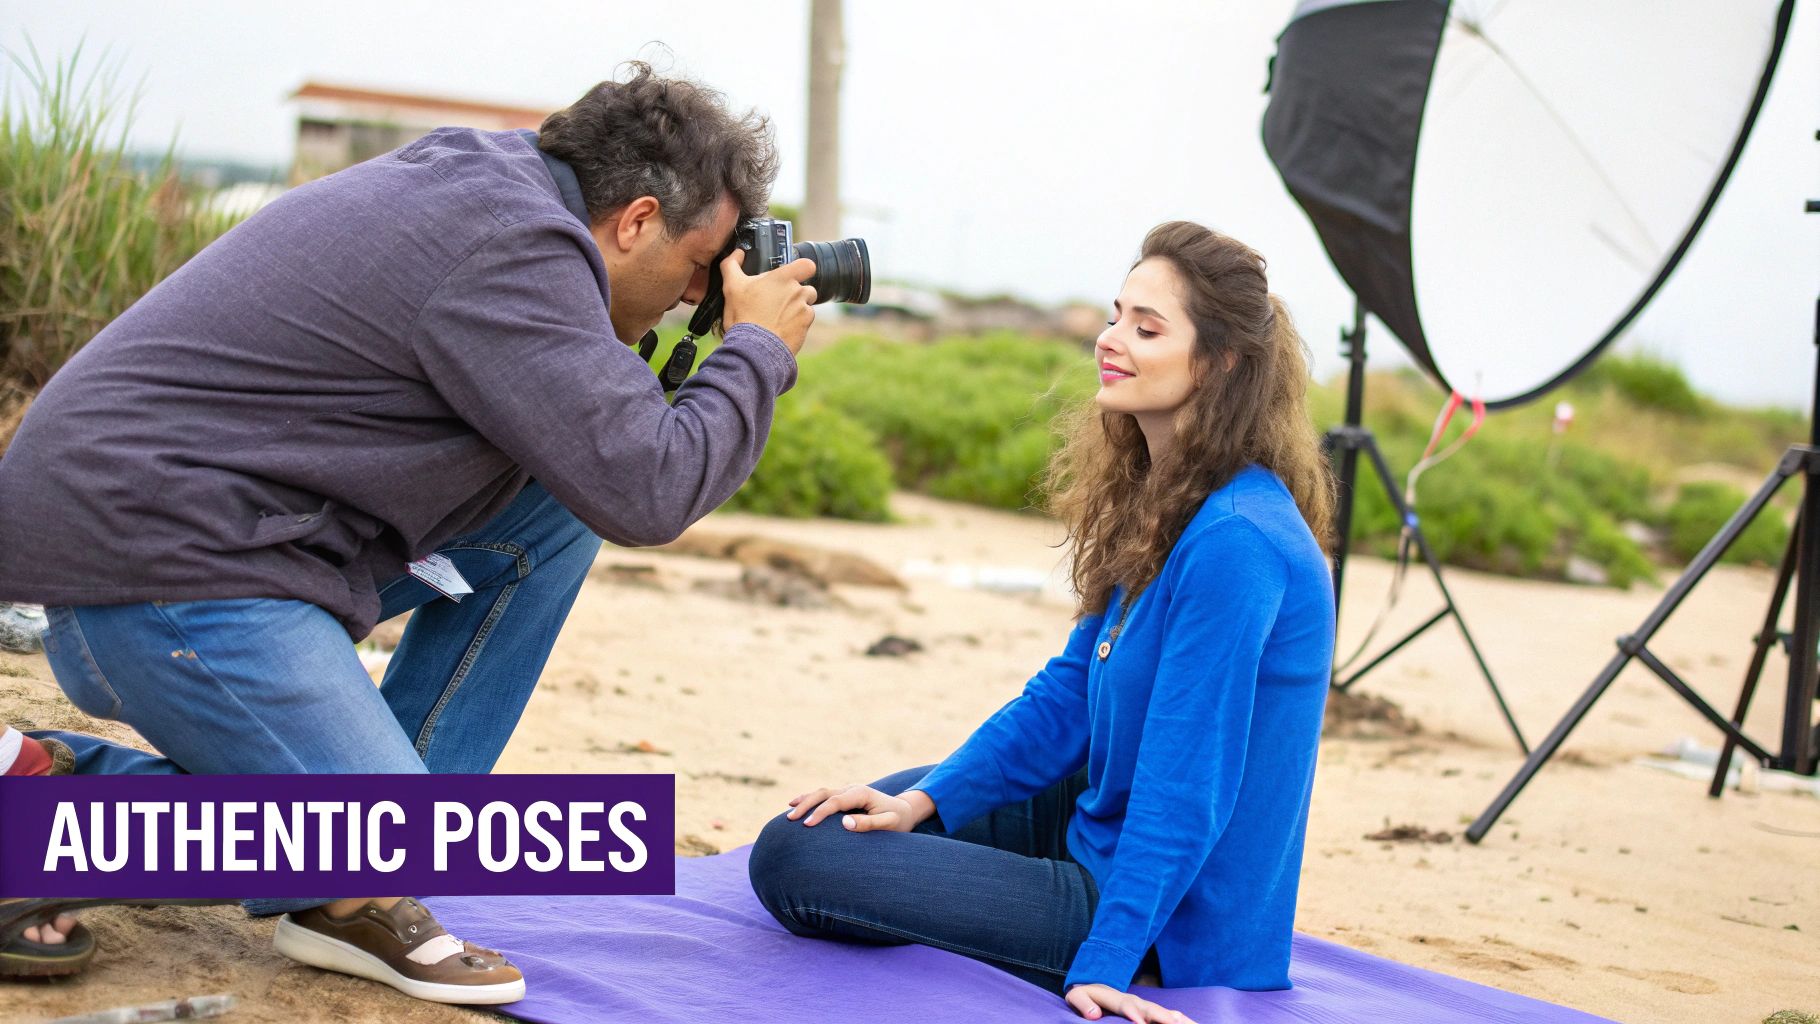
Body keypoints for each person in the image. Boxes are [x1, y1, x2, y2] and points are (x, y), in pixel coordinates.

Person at [0, 63, 816, 1002]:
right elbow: (652, 489)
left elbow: (607, 460)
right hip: (157, 572)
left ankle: (313, 856)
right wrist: (753, 350)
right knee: (398, 839)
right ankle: (307, 860)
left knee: (552, 516)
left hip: (219, 544)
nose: (691, 297)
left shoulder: (498, 190)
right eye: (691, 269)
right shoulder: (513, 250)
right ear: (633, 220)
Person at [748, 221, 1338, 1023]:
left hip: (1163, 911)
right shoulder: (1172, 499)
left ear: (1222, 363)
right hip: (1091, 811)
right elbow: (1067, 695)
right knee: (823, 826)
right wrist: (931, 800)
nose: (1111, 339)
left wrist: (1105, 966)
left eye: (1147, 327)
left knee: (795, 861)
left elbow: (1185, 785)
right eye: (1115, 315)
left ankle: (1118, 947)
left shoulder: (1239, 541)